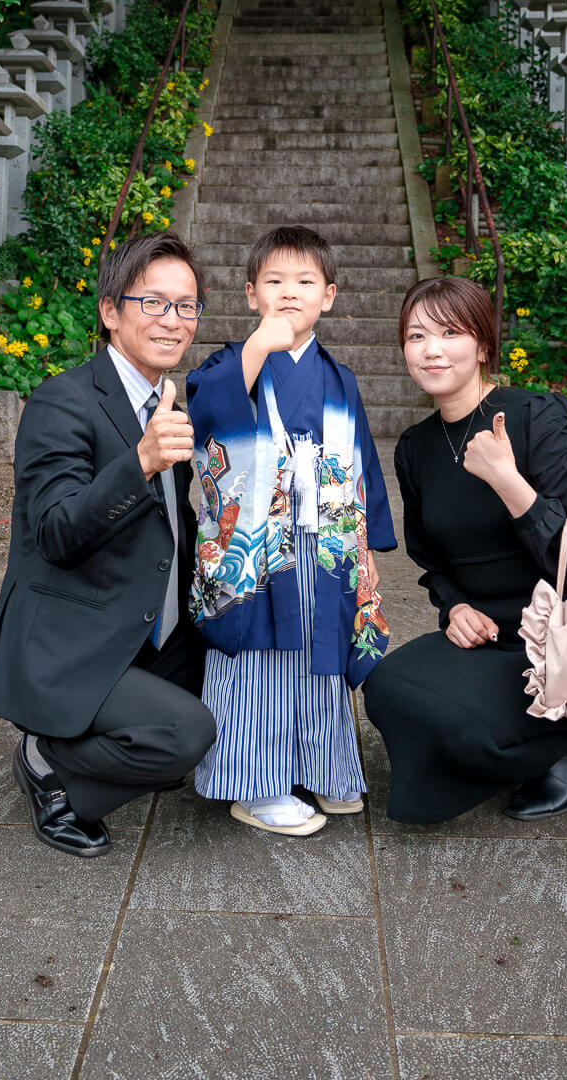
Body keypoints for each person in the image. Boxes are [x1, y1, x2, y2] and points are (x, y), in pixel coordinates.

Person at [0, 231, 217, 857]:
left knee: (229, 689)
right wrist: (138, 462)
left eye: (187, 305)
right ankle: (49, 764)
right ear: (111, 312)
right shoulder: (62, 401)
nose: (174, 321)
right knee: (185, 734)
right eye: (155, 303)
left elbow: (169, 525)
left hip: (142, 620)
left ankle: (103, 738)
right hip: (72, 636)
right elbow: (55, 532)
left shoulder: (163, 399)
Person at [363, 275, 567, 824]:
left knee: (463, 728)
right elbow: (431, 558)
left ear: (482, 345)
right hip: (481, 630)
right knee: (385, 688)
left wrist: (510, 482)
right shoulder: (416, 447)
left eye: (450, 333)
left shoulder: (535, 417)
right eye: (415, 336)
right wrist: (454, 606)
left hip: (554, 634)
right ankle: (523, 736)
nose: (431, 349)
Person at [184, 225, 396, 836]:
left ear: (328, 296)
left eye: (305, 282)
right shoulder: (234, 362)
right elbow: (206, 411)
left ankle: (321, 764)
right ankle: (256, 783)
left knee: (317, 652)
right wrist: (256, 350)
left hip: (324, 541)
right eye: (274, 281)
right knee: (258, 659)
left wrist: (364, 545)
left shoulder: (341, 378)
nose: (290, 292)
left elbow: (359, 462)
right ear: (252, 294)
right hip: (255, 549)